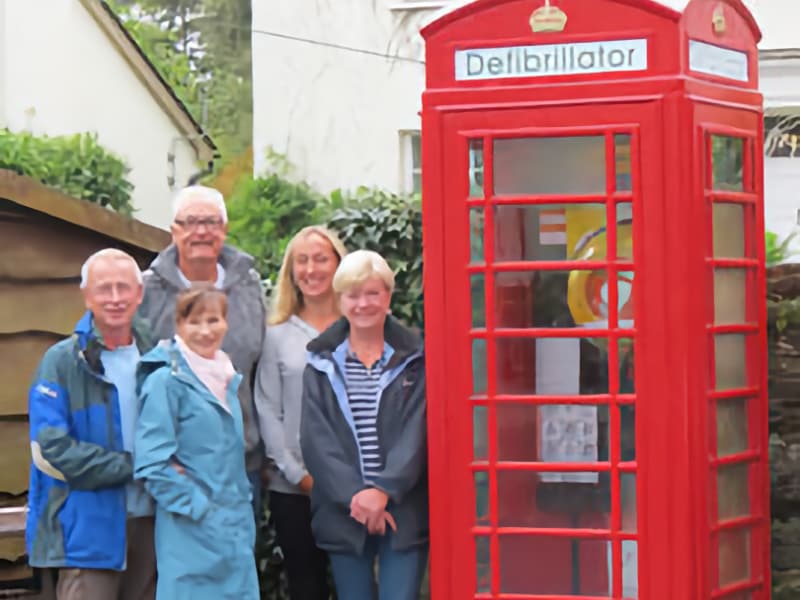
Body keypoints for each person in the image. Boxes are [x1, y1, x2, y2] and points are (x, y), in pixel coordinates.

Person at [26, 248, 156, 600]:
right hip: (86, 529)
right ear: (86, 296)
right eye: (104, 288)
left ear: (139, 293)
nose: (115, 298)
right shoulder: (61, 362)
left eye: (123, 287)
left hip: (151, 522)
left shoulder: (159, 356)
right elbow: (51, 448)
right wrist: (133, 466)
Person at [300, 250, 429, 600]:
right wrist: (356, 497)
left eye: (373, 293)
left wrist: (383, 490)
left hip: (403, 509)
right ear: (340, 299)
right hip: (344, 511)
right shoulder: (320, 363)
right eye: (353, 295)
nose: (363, 304)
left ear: (388, 296)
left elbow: (417, 432)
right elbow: (315, 439)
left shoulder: (416, 359)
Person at [138, 185, 266, 518]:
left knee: (239, 547)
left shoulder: (250, 286)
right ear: (174, 230)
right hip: (177, 469)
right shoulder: (146, 291)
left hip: (242, 462)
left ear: (224, 230)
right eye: (190, 222)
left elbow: (262, 368)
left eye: (210, 222)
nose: (201, 232)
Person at [134, 284, 258, 600]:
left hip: (235, 534)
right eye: (194, 321)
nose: (205, 331)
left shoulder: (226, 376)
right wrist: (202, 510)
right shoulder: (165, 381)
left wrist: (234, 513)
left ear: (226, 323)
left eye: (213, 320)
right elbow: (152, 464)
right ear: (179, 325)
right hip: (189, 536)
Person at [255, 226, 347, 600]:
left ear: (339, 265)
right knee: (306, 586)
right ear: (291, 272)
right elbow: (267, 408)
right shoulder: (276, 335)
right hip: (293, 488)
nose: (311, 269)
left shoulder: (360, 325)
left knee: (356, 585)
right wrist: (299, 475)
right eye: (302, 261)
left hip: (353, 487)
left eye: (321, 259)